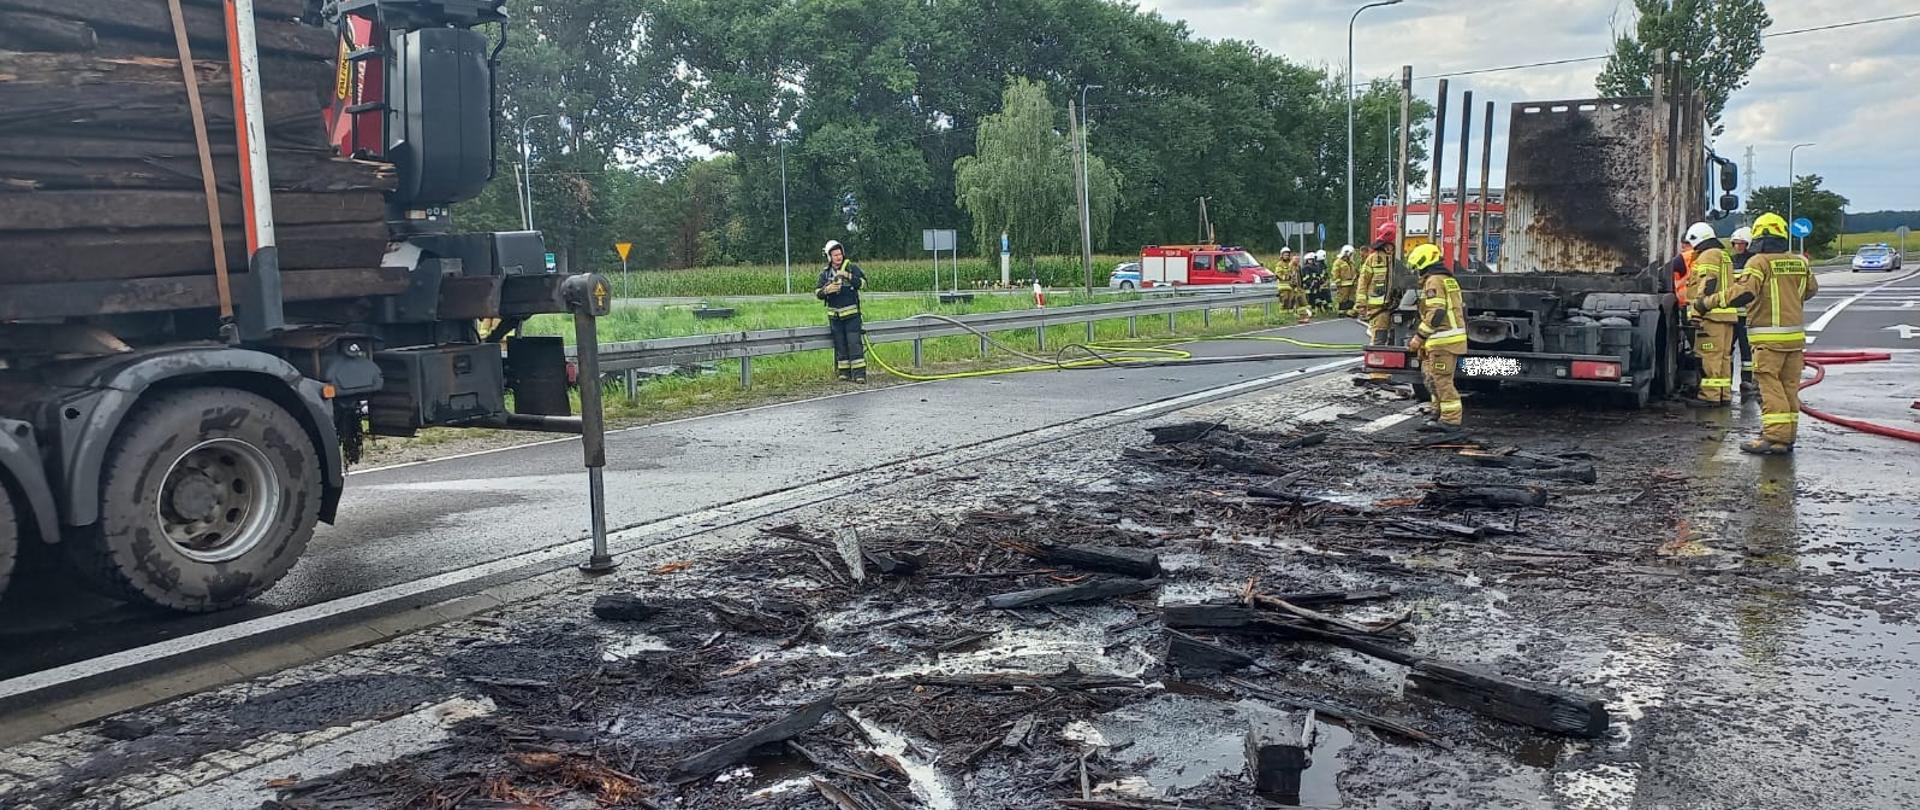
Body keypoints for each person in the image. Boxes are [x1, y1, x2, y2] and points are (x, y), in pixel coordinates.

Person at [1691, 213, 1817, 455]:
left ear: (1758, 237)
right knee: (1789, 387)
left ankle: (1774, 436)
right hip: (1794, 339)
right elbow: (1811, 289)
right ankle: (1786, 438)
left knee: (1769, 388)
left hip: (1769, 339)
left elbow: (1743, 293)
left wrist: (1706, 303)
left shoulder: (1759, 262)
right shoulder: (1799, 262)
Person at [1406, 243, 1467, 434]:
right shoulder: (1447, 279)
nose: (1416, 271)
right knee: (1433, 378)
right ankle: (1437, 414)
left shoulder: (1434, 281)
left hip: (1444, 341)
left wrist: (1419, 337)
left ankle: (1450, 420)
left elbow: (1436, 312)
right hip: (1443, 340)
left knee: (1442, 381)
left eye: (1417, 267)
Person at [1682, 222, 1736, 406]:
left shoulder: (1708, 255)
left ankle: (1709, 396)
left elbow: (1708, 282)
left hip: (1711, 316)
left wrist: (1698, 309)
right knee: (1723, 358)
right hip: (1726, 315)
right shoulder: (1723, 254)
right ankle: (1723, 394)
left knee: (1709, 356)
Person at [816, 240, 866, 382]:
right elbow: (818, 292)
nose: (838, 257)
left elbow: (863, 283)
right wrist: (827, 290)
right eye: (835, 255)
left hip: (852, 317)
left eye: (840, 254)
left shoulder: (851, 268)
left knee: (854, 344)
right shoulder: (826, 274)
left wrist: (849, 276)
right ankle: (844, 372)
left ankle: (859, 374)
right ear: (829, 257)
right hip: (835, 317)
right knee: (840, 345)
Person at [1728, 225, 1757, 394]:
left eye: (1741, 243)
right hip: (1732, 315)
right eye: (1735, 243)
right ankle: (1727, 381)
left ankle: (1747, 382)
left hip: (1748, 315)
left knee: (1747, 351)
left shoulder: (1753, 262)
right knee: (1727, 349)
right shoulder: (1730, 261)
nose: (1738, 246)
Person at [1301, 249, 1331, 315]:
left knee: (1316, 299)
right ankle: (1311, 312)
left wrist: (1318, 280)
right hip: (1308, 287)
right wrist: (1310, 281)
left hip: (1316, 287)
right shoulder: (1305, 268)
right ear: (1306, 260)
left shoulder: (1316, 267)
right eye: (1309, 260)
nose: (1311, 261)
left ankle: (1316, 311)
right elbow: (1305, 277)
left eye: (1312, 260)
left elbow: (1319, 275)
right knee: (1309, 300)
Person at [1331, 244, 1358, 313]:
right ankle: (1342, 312)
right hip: (1343, 285)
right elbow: (1335, 273)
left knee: (1351, 298)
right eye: (1350, 254)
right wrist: (1338, 282)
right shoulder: (1338, 262)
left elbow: (1354, 271)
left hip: (1352, 284)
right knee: (1343, 299)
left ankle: (1349, 312)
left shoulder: (1351, 262)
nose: (1351, 255)